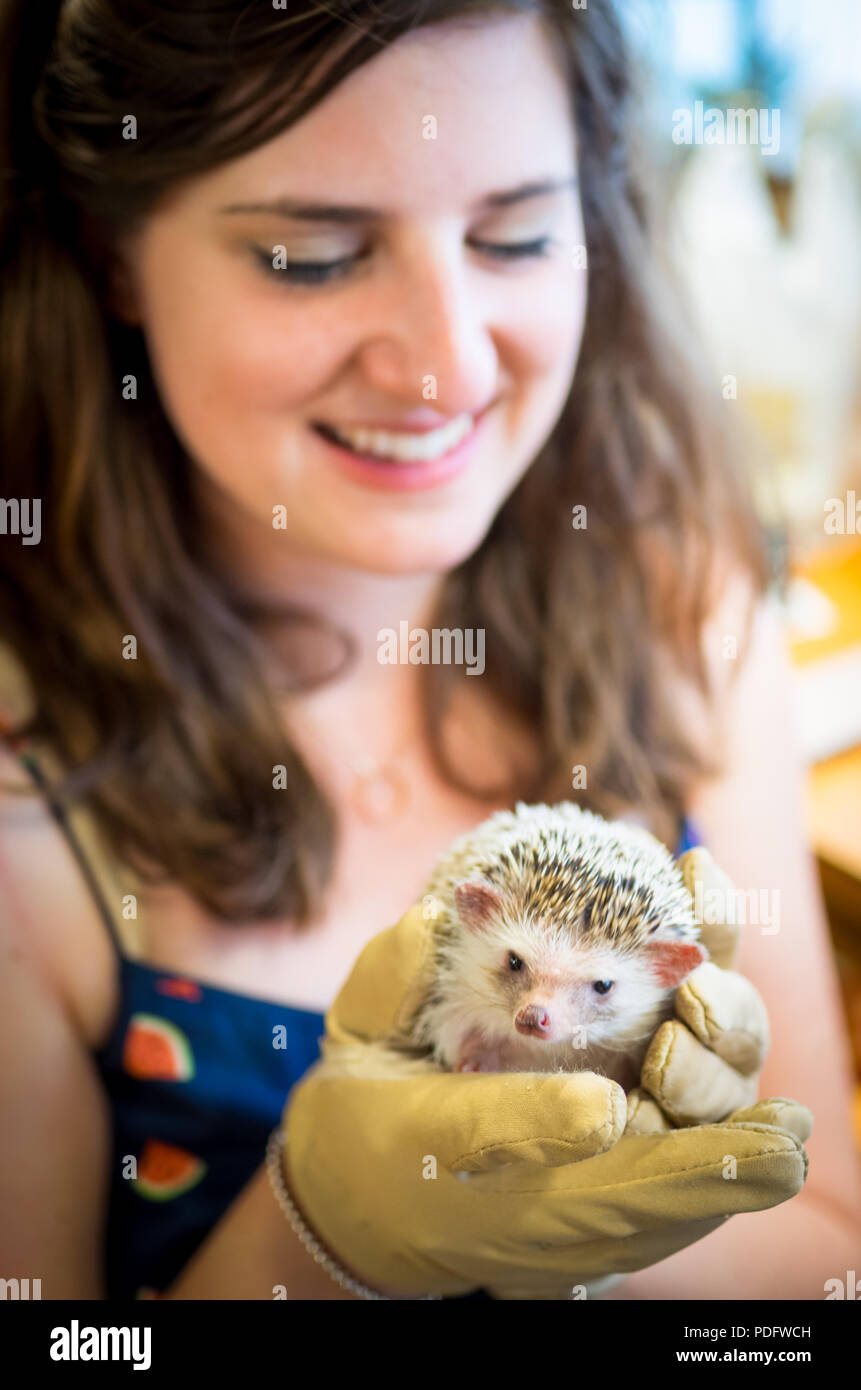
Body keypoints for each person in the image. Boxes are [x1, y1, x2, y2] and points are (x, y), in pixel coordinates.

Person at [0, 0, 857, 1301]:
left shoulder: (675, 591)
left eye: (514, 235)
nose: (444, 363)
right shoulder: (26, 803)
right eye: (309, 256)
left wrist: (600, 1239)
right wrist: (317, 1236)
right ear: (114, 252)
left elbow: (826, 1250)